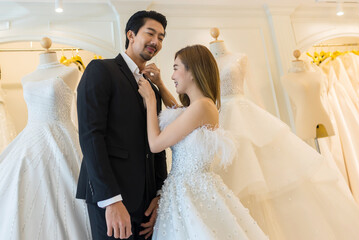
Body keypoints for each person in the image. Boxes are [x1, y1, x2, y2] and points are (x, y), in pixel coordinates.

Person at [210, 39, 359, 240]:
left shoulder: (239, 58)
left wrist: (264, 117)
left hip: (245, 112)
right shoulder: (205, 64)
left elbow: (253, 92)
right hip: (222, 118)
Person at [138, 44, 269, 240]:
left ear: (192, 71)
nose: (172, 75)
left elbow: (156, 144)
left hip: (193, 193)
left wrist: (150, 100)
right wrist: (161, 86)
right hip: (183, 192)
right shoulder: (200, 107)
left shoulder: (202, 107)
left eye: (175, 68)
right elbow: (181, 115)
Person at [76, 11, 167, 240]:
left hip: (147, 205)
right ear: (131, 34)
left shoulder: (152, 90)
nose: (156, 42)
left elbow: (157, 143)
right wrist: (111, 200)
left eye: (162, 37)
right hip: (112, 199)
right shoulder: (101, 70)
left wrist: (159, 194)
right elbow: (91, 136)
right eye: (151, 33)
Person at [0, 39, 91, 239]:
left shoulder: (71, 71)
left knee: (67, 193)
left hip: (62, 137)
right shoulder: (26, 78)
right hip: (30, 142)